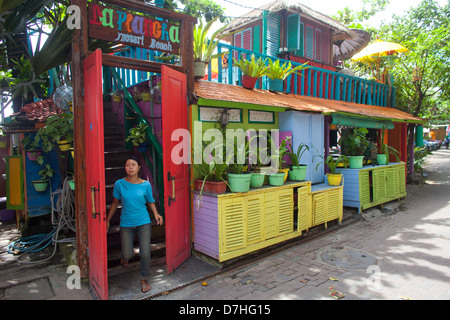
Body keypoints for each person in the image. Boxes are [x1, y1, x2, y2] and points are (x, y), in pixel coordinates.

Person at [106, 156, 163, 293]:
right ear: (125, 168)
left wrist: (156, 214)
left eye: (133, 164)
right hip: (126, 223)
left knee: (145, 253)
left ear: (138, 168)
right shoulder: (120, 184)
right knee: (128, 253)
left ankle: (144, 279)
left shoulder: (145, 185)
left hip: (143, 222)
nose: (130, 167)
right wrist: (107, 220)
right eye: (127, 165)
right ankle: (125, 257)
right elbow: (114, 202)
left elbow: (150, 200)